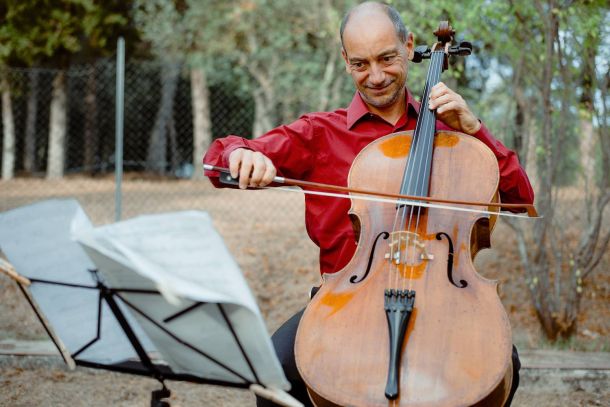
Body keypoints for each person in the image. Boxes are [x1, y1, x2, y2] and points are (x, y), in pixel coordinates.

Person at [204, 2, 534, 406]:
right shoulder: (319, 134)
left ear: (409, 46)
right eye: (361, 64)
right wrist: (241, 155)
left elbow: (521, 198)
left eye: (387, 58)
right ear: (345, 61)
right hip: (346, 301)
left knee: (501, 363)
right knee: (272, 375)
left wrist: (475, 129)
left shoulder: (452, 137)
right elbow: (219, 159)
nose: (375, 76)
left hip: (444, 299)